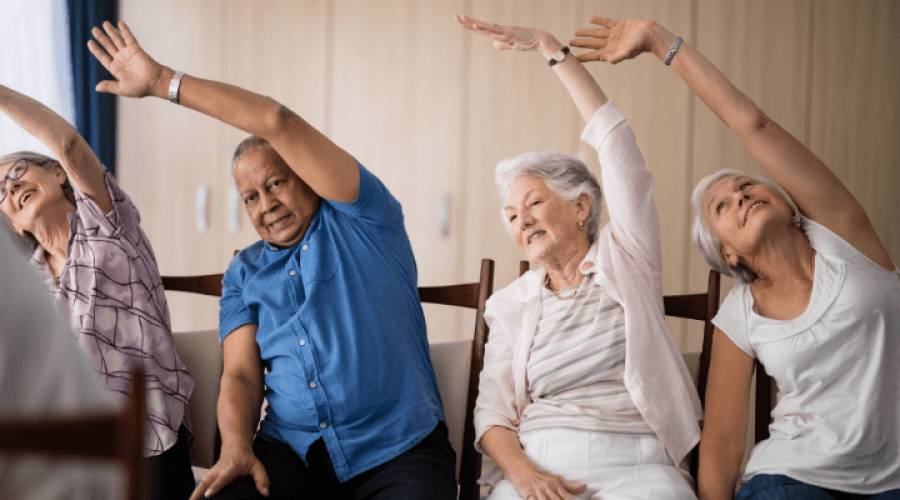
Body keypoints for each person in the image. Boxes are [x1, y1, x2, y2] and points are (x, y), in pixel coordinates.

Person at [87, 20, 457, 500]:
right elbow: (241, 373)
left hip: (397, 451)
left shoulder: (365, 219)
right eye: (250, 197)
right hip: (291, 452)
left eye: (277, 183)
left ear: (305, 175)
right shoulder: (244, 272)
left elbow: (275, 119)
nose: (266, 205)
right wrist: (237, 446)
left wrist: (163, 83)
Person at [570, 16, 900, 500]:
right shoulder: (738, 316)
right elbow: (723, 445)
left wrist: (661, 41)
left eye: (747, 185)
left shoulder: (846, 236)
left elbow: (754, 125)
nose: (741, 195)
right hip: (792, 481)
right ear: (726, 252)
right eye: (722, 206)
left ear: (789, 202)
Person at [455, 14, 700, 500]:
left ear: (581, 207)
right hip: (541, 462)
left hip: (639, 464)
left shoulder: (627, 258)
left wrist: (551, 49)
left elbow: (618, 148)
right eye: (509, 215)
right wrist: (523, 475)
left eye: (533, 203)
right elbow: (492, 417)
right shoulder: (510, 306)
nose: (520, 221)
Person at [0, 83, 195, 498]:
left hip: (148, 447)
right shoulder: (25, 287)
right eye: (1, 192)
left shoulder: (106, 224)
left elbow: (68, 143)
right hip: (70, 462)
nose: (11, 189)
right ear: (13, 226)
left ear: (57, 173)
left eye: (17, 173)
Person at [0, 226, 122, 500]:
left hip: (88, 469)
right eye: (4, 191)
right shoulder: (31, 270)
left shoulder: (100, 235)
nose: (12, 189)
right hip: (101, 451)